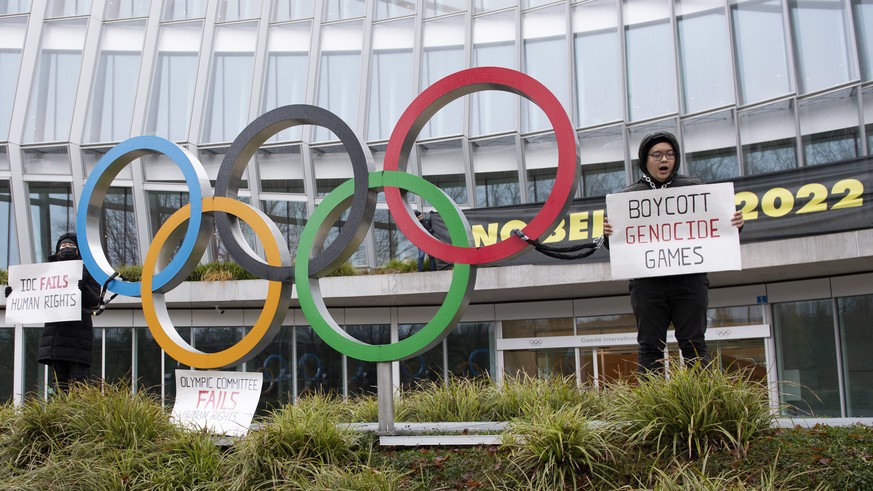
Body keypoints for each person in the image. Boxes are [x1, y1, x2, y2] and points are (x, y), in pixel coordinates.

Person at [603, 132, 744, 374]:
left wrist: (734, 225)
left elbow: (713, 231)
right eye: (656, 155)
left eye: (669, 154)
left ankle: (701, 406)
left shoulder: (694, 189)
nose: (663, 160)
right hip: (647, 285)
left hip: (689, 282)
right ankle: (652, 409)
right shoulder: (628, 196)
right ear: (645, 160)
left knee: (694, 345)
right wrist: (609, 235)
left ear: (676, 158)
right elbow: (619, 247)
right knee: (650, 348)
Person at [5, 232, 101, 392]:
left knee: (79, 384)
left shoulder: (89, 271)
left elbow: (94, 300)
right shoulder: (47, 272)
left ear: (79, 250)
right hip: (55, 338)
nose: (66, 248)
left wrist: (83, 289)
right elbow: (33, 293)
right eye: (63, 246)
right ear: (57, 251)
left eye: (71, 245)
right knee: (59, 385)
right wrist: (14, 292)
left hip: (78, 337)